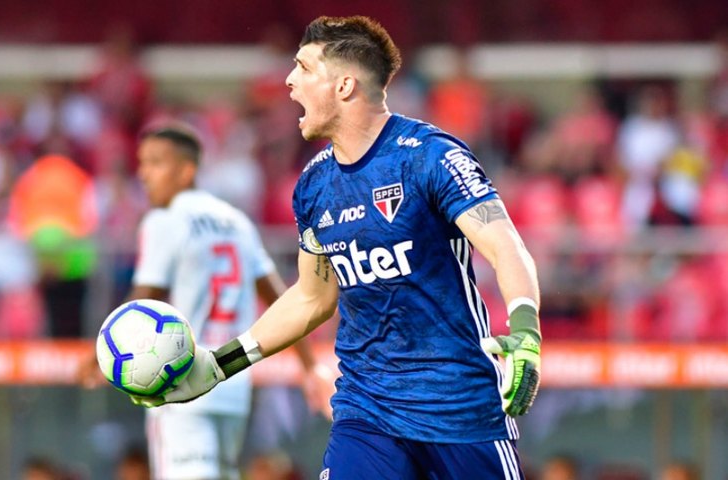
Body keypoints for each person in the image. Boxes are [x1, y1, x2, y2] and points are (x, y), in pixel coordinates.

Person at [134, 16, 541, 479]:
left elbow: (505, 245)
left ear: (344, 85)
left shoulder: (431, 156)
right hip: (366, 414)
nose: (289, 81)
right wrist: (217, 365)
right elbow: (312, 298)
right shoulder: (314, 185)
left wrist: (526, 331)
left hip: (460, 408)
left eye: (304, 68)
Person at [81, 123, 333, 480]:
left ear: (186, 170)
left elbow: (145, 296)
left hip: (181, 377)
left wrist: (101, 352)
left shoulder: (165, 220)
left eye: (155, 163)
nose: (144, 174)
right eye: (143, 163)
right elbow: (282, 296)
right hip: (233, 382)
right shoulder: (236, 221)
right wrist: (308, 365)